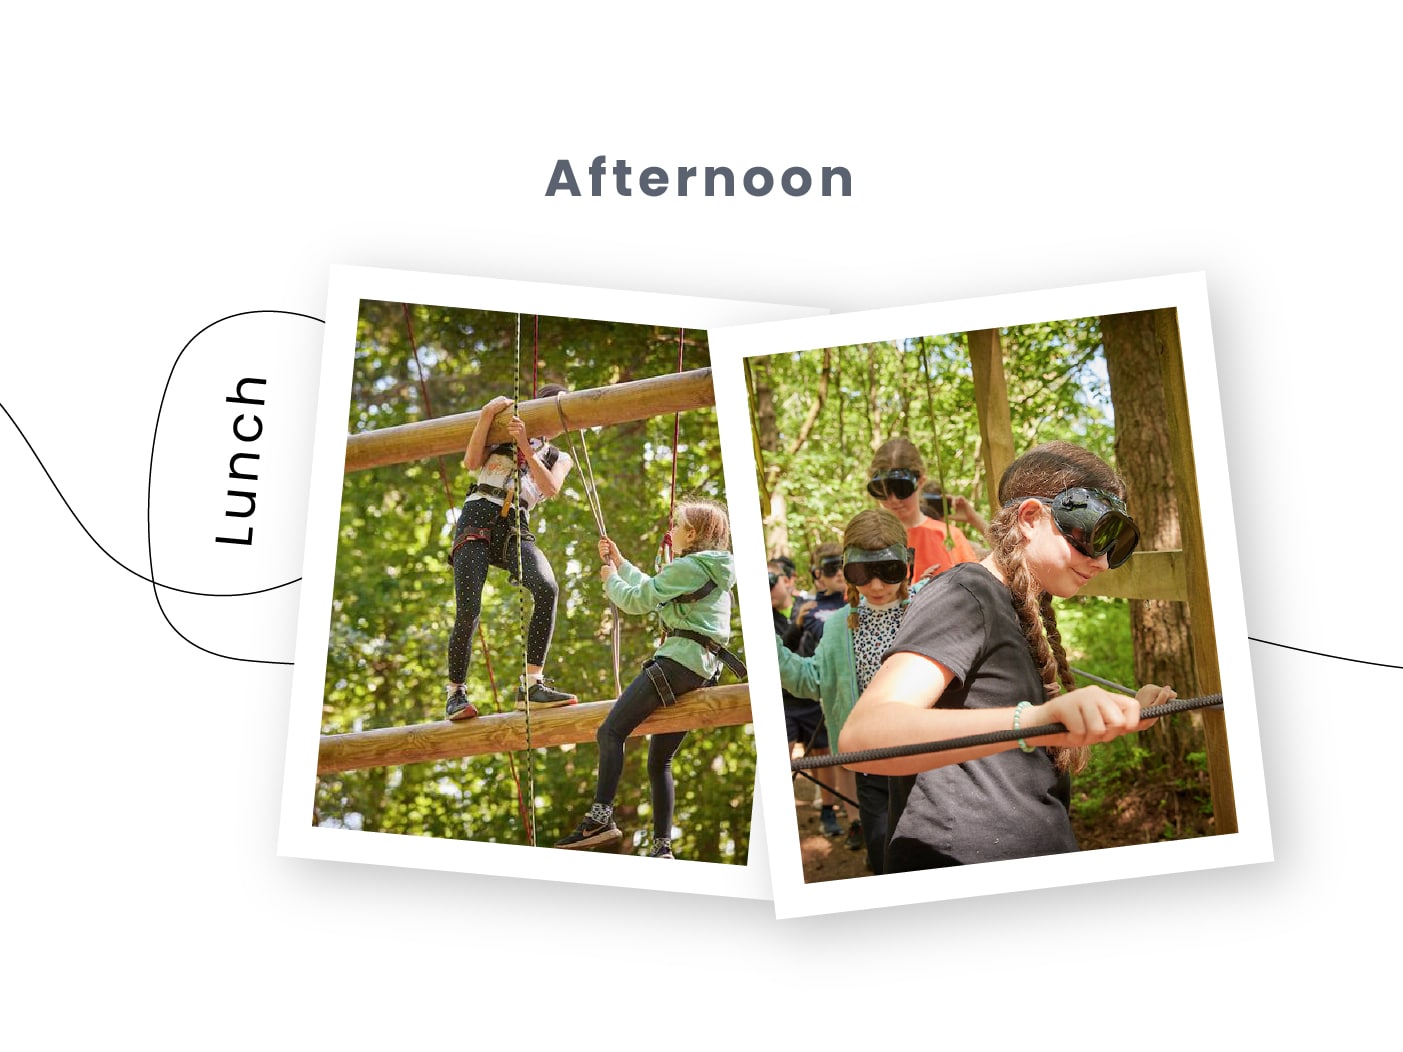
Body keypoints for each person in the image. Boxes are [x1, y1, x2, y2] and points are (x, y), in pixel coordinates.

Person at [840, 441, 1174, 871]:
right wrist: (1032, 723)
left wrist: (1125, 711)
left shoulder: (1017, 603)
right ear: (1030, 517)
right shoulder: (964, 594)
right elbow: (866, 734)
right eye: (1089, 536)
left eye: (1115, 545)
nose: (1103, 563)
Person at [554, 498, 738, 859]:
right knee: (659, 762)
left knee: (610, 731)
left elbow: (638, 600)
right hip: (702, 669)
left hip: (678, 664)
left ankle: (600, 817)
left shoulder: (689, 566)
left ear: (692, 533)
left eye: (676, 524)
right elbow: (657, 589)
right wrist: (621, 564)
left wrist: (610, 581)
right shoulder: (708, 568)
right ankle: (662, 847)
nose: (670, 531)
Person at [774, 509, 914, 875]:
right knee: (884, 853)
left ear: (906, 564)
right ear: (848, 571)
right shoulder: (838, 626)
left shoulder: (925, 607)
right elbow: (809, 680)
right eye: (862, 574)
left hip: (925, 758)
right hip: (869, 765)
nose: (878, 585)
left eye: (889, 571)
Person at [443, 387, 578, 721]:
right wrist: (488, 415)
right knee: (469, 609)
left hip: (516, 522)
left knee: (547, 588)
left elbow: (550, 488)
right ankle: (456, 693)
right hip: (478, 513)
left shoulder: (559, 456)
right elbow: (471, 462)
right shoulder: (503, 428)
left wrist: (525, 447)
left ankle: (531, 684)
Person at [773, 554, 842, 837]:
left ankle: (828, 811)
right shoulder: (765, 615)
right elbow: (784, 650)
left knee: (822, 753)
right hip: (782, 699)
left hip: (813, 695)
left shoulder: (809, 605)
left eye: (771, 580)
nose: (768, 587)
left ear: (789, 581)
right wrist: (797, 625)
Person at [867, 437, 984, 580]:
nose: (893, 500)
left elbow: (977, 588)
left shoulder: (948, 536)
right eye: (882, 491)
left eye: (901, 489)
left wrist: (975, 520)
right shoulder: (870, 540)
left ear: (921, 481)